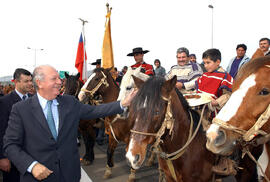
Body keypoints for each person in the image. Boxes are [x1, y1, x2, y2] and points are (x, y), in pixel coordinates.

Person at [3, 65, 136, 182]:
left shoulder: (70, 102)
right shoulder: (21, 109)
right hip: (36, 177)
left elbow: (95, 110)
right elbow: (10, 145)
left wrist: (123, 103)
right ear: (39, 82)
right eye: (54, 78)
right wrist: (31, 166)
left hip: (70, 175)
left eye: (59, 79)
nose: (60, 82)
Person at [0, 68, 33, 182]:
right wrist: (2, 157)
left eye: (30, 80)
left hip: (33, 157)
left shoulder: (35, 100)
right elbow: (1, 131)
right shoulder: (4, 102)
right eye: (26, 81)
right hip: (13, 159)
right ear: (16, 82)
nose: (30, 84)